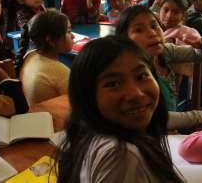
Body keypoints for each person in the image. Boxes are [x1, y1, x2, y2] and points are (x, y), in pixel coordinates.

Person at [55, 36, 184, 182]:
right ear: (87, 96)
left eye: (141, 76)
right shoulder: (122, 156)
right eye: (113, 84)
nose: (135, 93)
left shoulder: (86, 131)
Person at [115, 5, 202, 130]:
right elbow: (155, 117)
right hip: (148, 131)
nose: (152, 33)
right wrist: (197, 117)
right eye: (139, 30)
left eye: (154, 26)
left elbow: (198, 56)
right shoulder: (130, 72)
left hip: (168, 127)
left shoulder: (165, 52)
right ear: (124, 40)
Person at [16, 11, 73, 104]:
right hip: (50, 117)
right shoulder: (60, 72)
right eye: (69, 31)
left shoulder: (30, 55)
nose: (73, 36)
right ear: (50, 40)